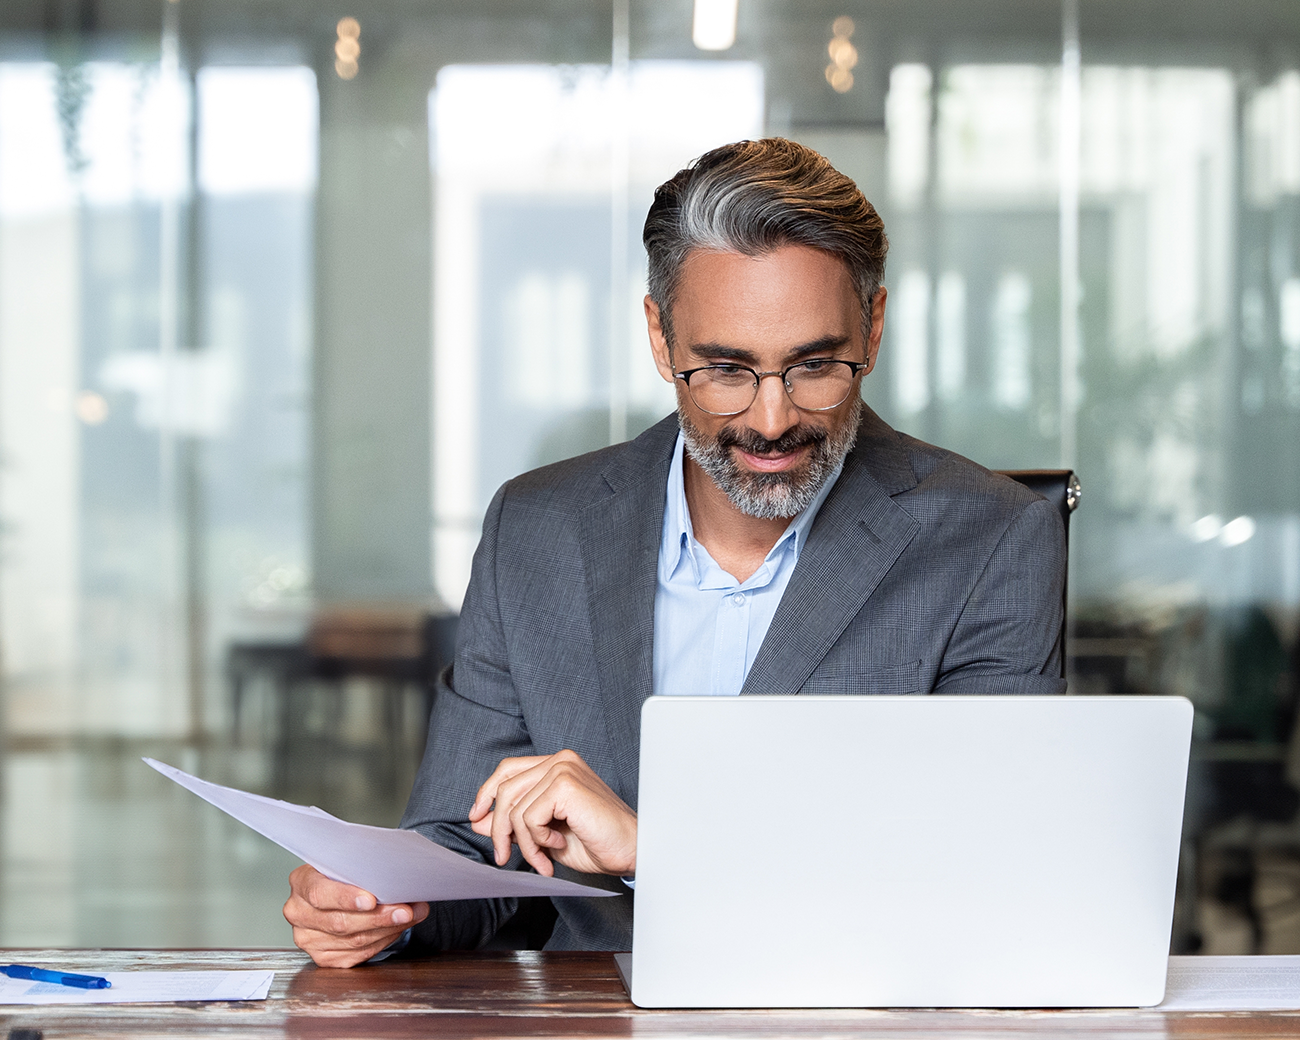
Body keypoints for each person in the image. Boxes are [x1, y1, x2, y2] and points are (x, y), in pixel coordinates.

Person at [283, 138, 1066, 965]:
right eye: (726, 369)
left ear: (872, 328)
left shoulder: (990, 541)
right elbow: (476, 847)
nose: (771, 421)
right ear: (660, 337)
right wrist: (386, 905)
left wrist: (652, 850)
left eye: (814, 367)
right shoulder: (537, 528)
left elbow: (983, 878)